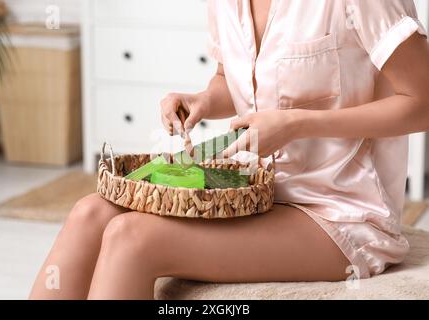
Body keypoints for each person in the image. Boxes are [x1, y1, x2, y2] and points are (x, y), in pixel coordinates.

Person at [30, 0, 429, 299]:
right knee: (90, 212)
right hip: (249, 192)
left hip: (339, 212)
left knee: (132, 238)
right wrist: (203, 100)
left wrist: (297, 124)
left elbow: (422, 101)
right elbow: (233, 79)